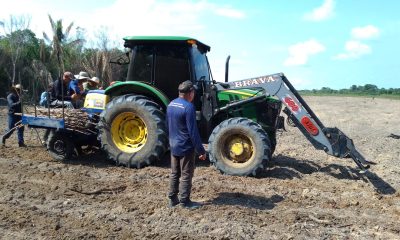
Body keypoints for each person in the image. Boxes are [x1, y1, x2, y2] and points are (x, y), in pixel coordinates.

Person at [166, 80, 206, 209]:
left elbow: (168, 125)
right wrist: (201, 150)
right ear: (191, 93)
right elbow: (193, 132)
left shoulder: (171, 104)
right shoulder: (188, 107)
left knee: (174, 173)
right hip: (185, 147)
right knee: (186, 174)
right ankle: (185, 201)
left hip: (173, 145)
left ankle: (172, 199)